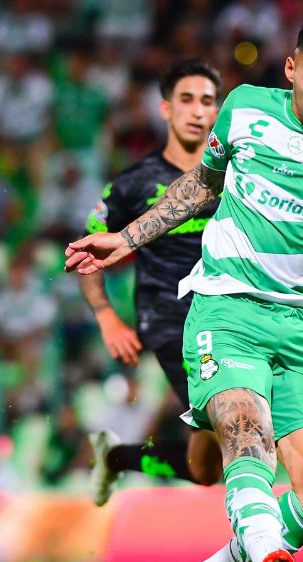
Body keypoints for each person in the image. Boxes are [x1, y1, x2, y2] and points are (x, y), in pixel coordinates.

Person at [65, 14, 303, 562]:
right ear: (290, 70)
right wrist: (129, 238)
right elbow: (203, 183)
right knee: (242, 425)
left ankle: (233, 557)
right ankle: (262, 549)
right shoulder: (246, 108)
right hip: (225, 307)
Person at [77, 59, 224, 506]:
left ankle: (120, 457)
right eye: (186, 100)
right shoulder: (132, 183)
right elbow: (85, 250)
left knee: (203, 472)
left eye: (207, 101)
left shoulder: (238, 176)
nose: (197, 111)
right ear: (165, 109)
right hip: (169, 317)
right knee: (229, 412)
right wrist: (106, 317)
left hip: (229, 312)